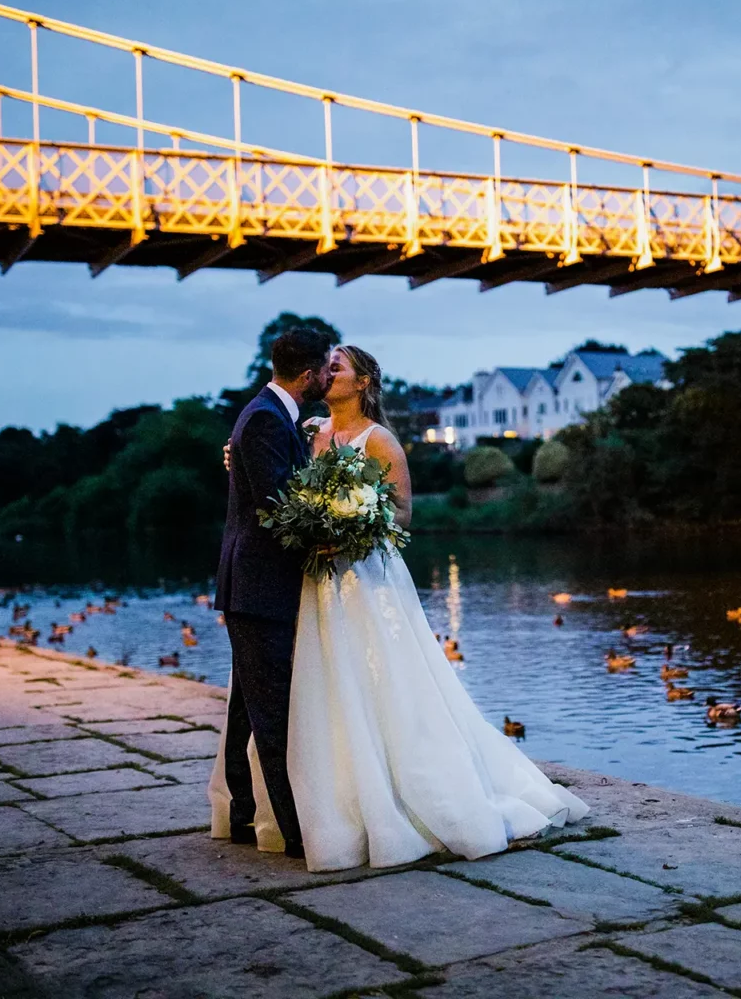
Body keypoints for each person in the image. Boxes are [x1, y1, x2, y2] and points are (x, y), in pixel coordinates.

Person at [211, 344, 587, 870]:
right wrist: (235, 455)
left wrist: (352, 529)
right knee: (312, 691)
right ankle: (318, 798)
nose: (329, 372)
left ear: (362, 382)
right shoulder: (308, 431)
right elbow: (266, 473)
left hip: (362, 576)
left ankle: (397, 792)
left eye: (338, 367)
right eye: (326, 366)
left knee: (377, 684)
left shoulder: (380, 440)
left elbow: (402, 515)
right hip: (309, 582)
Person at [207, 328, 332, 858]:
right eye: (326, 369)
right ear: (308, 375)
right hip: (260, 587)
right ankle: (295, 833)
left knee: (246, 709)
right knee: (273, 714)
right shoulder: (263, 418)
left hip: (256, 587)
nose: (329, 376)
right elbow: (276, 507)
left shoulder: (270, 415)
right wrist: (331, 536)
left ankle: (241, 815)